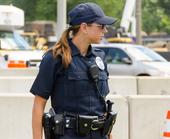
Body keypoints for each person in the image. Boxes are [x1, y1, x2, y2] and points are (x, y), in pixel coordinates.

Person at [30, 2, 117, 139]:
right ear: (84, 27)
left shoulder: (99, 58)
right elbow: (39, 104)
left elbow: (102, 104)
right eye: (100, 26)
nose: (105, 30)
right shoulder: (55, 58)